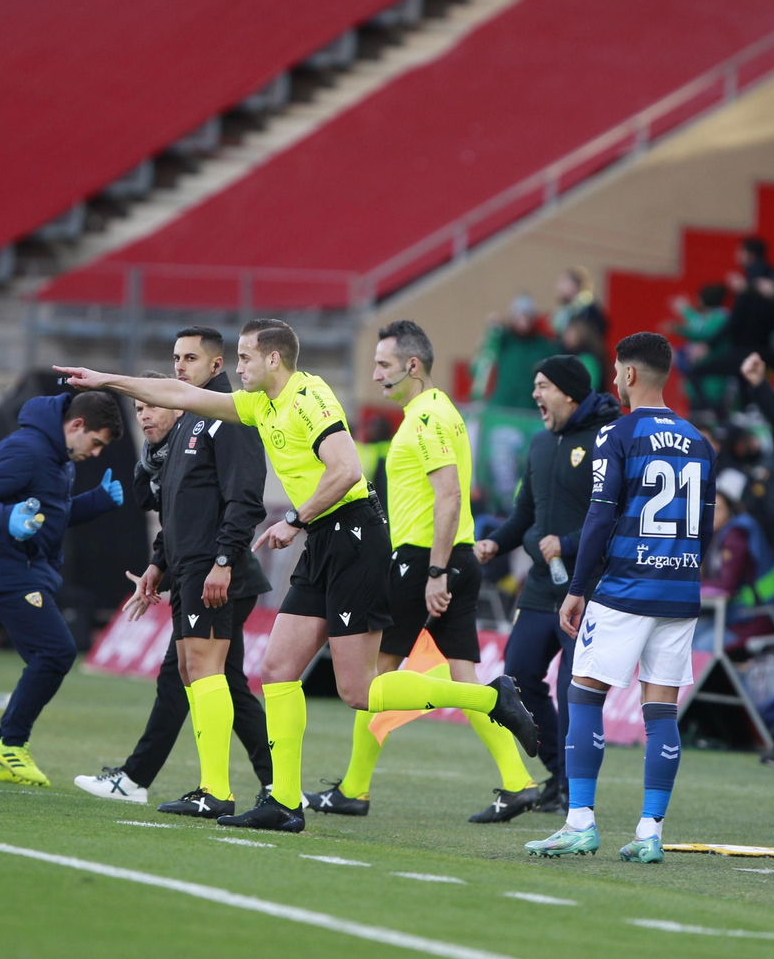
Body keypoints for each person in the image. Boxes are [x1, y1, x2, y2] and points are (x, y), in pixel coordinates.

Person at [56, 318, 536, 832]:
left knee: (359, 691)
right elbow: (176, 392)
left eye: (244, 358)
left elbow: (347, 469)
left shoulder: (310, 395)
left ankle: (491, 698)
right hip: (322, 539)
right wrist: (106, 379)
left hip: (353, 536)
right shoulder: (258, 405)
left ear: (273, 360)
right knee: (278, 668)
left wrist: (294, 519)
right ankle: (284, 802)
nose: (237, 368)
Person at [309, 321, 538, 823]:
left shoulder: (427, 418)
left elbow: (449, 495)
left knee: (373, 680)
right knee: (458, 674)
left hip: (422, 562)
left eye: (384, 366)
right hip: (448, 561)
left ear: (412, 366)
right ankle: (519, 781)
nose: (376, 376)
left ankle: (354, 790)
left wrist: (434, 571)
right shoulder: (439, 413)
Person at [526, 333, 716, 864]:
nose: (613, 380)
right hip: (680, 591)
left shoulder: (618, 434)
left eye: (615, 372)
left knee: (584, 694)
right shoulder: (699, 441)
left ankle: (580, 822)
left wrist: (579, 589)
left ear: (630, 375)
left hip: (625, 588)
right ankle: (650, 832)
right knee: (661, 711)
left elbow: (600, 517)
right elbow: (704, 527)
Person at [74, 329, 272, 814]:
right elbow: (175, 510)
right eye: (176, 358)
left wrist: (224, 559)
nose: (180, 366)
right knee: (197, 672)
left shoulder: (229, 415)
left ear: (217, 363)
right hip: (189, 569)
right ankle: (266, 783)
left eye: (190, 358)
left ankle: (215, 791)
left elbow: (244, 497)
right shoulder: (190, 423)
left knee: (197, 672)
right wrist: (159, 565)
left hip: (213, 569)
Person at [475, 355, 620, 810]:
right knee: (517, 678)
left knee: (572, 688)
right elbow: (525, 514)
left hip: (587, 586)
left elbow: (614, 515)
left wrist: (570, 543)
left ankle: (577, 791)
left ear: (569, 391)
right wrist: (495, 545)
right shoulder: (539, 444)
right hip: (540, 587)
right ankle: (558, 776)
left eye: (543, 386)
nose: (535, 394)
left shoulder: (604, 440)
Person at [0, 390, 124, 786]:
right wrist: (7, 517)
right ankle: (11, 745)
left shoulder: (58, 456)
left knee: (45, 658)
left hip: (29, 571)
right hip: (6, 570)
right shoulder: (26, 448)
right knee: (57, 651)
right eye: (97, 443)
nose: (97, 453)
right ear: (77, 425)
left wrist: (96, 502)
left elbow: (54, 515)